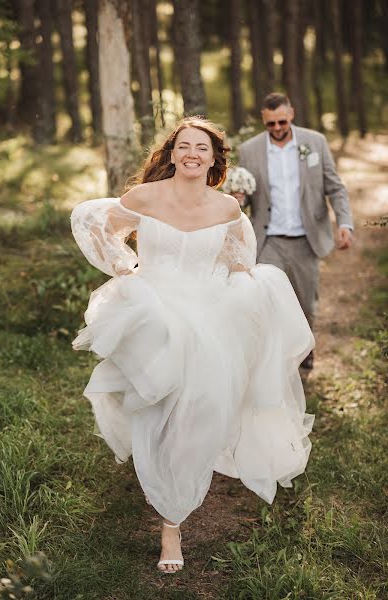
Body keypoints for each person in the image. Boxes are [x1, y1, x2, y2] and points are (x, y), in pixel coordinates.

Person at [70, 117, 315, 574]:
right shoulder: (146, 196)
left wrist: (245, 297)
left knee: (196, 408)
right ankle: (156, 463)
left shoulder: (225, 208)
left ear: (214, 158)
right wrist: (125, 267)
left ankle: (172, 520)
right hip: (154, 310)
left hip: (207, 316)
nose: (192, 154)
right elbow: (97, 223)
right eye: (184, 146)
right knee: (154, 404)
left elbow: (241, 261)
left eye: (201, 148)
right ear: (172, 152)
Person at [238, 93, 353, 370]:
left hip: (306, 239)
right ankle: (273, 360)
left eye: (281, 122)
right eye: (270, 124)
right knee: (267, 301)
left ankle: (304, 354)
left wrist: (344, 223)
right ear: (263, 120)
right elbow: (246, 197)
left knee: (306, 304)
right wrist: (239, 198)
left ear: (292, 114)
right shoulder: (249, 150)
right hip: (268, 240)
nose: (277, 128)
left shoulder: (315, 142)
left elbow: (335, 188)